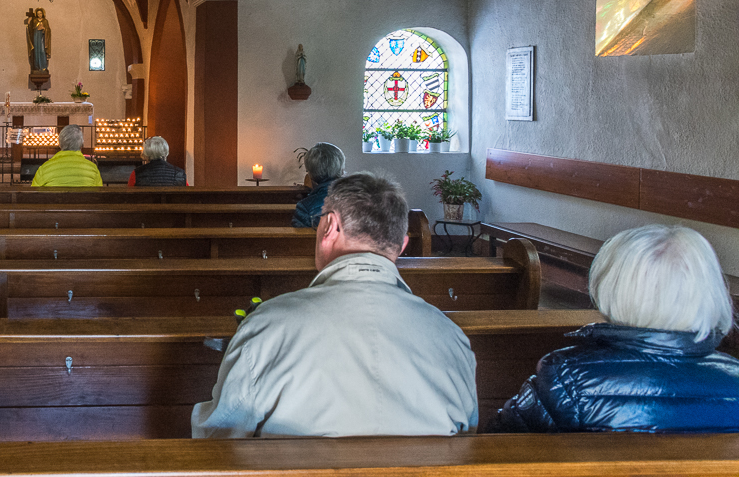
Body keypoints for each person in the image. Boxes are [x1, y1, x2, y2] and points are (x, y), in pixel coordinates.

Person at [192, 172, 477, 438]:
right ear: (402, 245)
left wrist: (253, 335)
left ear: (328, 226)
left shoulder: (268, 327)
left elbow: (220, 440)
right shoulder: (451, 336)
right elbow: (467, 436)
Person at [492, 224, 739, 433]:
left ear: (611, 288)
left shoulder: (565, 377)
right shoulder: (734, 376)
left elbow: (499, 445)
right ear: (710, 293)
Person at [31, 125, 103, 188]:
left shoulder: (44, 169)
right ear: (81, 144)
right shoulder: (93, 170)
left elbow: (33, 196)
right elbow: (100, 196)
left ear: (60, 144)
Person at [291, 142, 344, 227]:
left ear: (310, 175)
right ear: (341, 171)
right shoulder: (361, 200)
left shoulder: (305, 207)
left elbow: (298, 240)